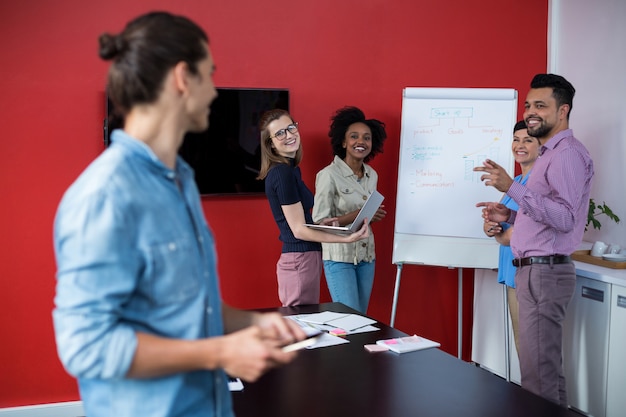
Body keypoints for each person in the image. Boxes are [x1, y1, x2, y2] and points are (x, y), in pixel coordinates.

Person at [52, 12, 307, 417]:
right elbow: (87, 347)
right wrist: (221, 352)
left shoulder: (181, 179)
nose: (213, 92)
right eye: (210, 75)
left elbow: (192, 306)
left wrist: (255, 324)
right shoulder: (103, 197)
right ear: (182, 78)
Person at [474, 73, 594, 406]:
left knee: (538, 378)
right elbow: (548, 214)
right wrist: (509, 216)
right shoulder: (549, 155)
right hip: (535, 271)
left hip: (544, 272)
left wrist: (511, 186)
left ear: (563, 111)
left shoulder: (566, 154)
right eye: (529, 105)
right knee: (544, 373)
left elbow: (566, 218)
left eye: (541, 105)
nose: (531, 111)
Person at [257, 109, 369, 307]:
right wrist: (346, 238)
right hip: (300, 260)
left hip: (305, 258)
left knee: (303, 324)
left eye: (290, 128)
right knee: (299, 326)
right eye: (280, 133)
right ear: (271, 144)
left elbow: (300, 222)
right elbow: (298, 230)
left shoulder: (290, 170)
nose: (289, 135)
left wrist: (320, 225)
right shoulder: (282, 174)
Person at [312, 106, 387, 313]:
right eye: (354, 137)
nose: (361, 142)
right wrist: (361, 214)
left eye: (366, 138)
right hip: (339, 258)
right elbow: (320, 223)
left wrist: (369, 217)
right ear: (343, 142)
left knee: (361, 319)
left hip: (366, 256)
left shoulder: (372, 174)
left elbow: (362, 219)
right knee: (349, 320)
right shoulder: (328, 175)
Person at [482, 120, 539, 355]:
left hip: (529, 275)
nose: (520, 145)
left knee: (530, 349)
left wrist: (504, 236)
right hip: (513, 272)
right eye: (516, 139)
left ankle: (535, 394)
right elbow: (510, 225)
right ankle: (530, 393)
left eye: (528, 140)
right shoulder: (517, 182)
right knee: (523, 345)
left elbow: (524, 232)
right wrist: (492, 226)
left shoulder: (539, 181)